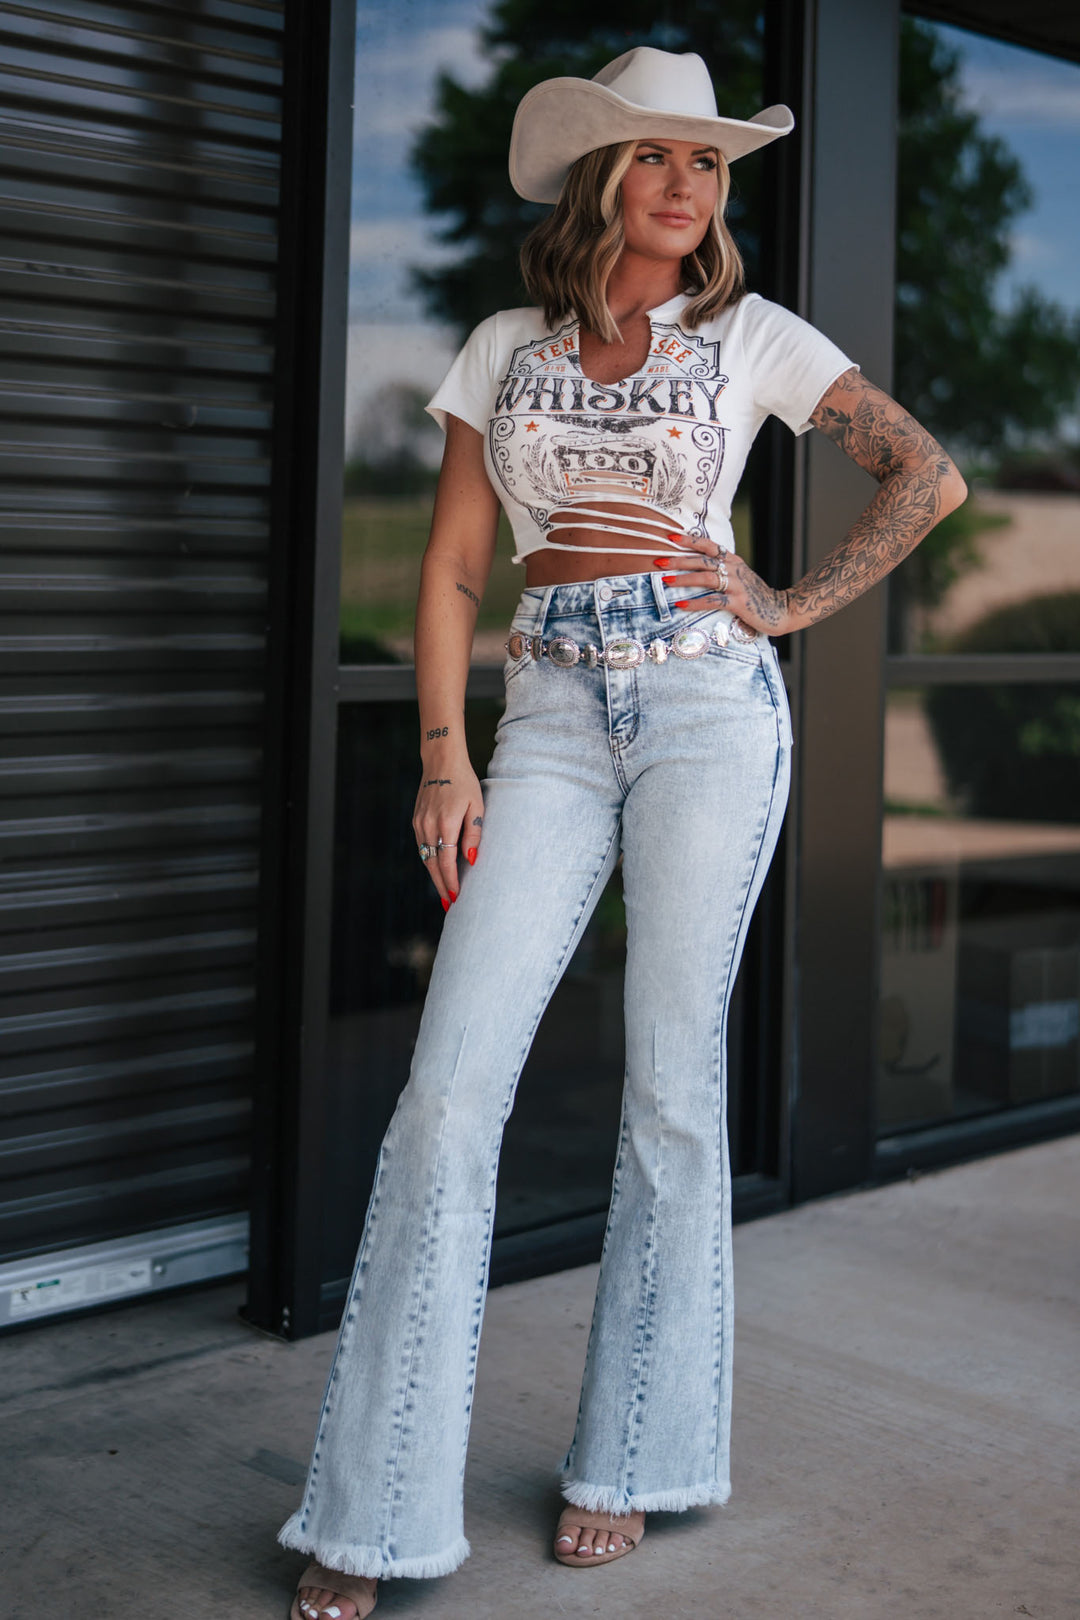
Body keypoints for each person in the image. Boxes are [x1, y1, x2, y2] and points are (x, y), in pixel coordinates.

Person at [281, 46, 966, 1620]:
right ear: (600, 175)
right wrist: (442, 762)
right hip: (546, 721)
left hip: (711, 712)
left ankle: (632, 1457)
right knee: (448, 1098)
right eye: (656, 154)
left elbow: (924, 475)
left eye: (707, 162)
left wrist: (785, 602)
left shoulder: (752, 338)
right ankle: (372, 1512)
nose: (685, 184)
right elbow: (454, 568)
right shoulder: (502, 350)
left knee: (669, 1087)